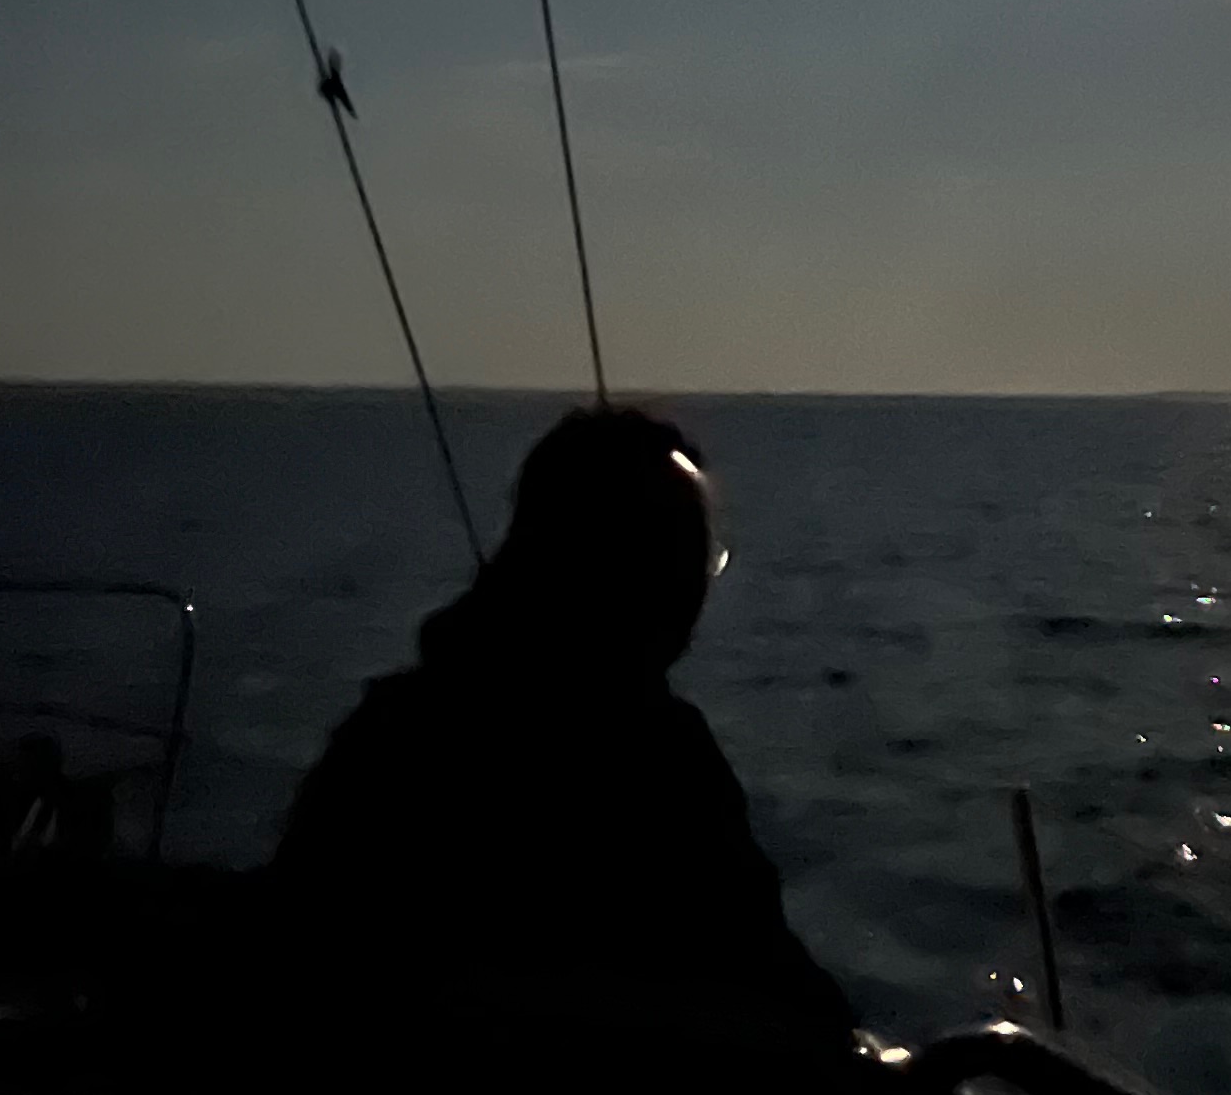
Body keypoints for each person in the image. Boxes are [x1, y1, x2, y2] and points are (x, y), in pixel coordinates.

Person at [269, 407, 852, 1054]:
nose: (691, 587)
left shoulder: (389, 731)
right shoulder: (656, 758)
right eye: (672, 554)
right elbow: (774, 984)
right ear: (598, 561)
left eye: (700, 556)